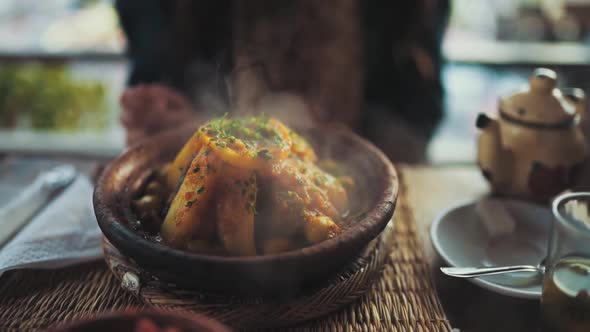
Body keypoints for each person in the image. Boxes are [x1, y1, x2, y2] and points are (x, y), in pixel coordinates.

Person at [116, 0, 450, 162]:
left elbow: (416, 114)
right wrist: (163, 114)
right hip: (202, 161)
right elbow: (155, 65)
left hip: (378, 183)